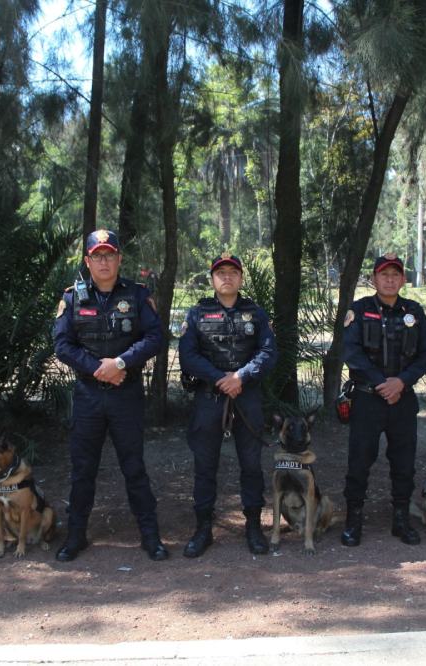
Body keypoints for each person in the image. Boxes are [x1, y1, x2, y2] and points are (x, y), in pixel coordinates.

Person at [52, 229, 168, 561]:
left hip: (126, 394)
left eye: (109, 255)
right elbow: (62, 345)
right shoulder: (72, 297)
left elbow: (155, 336)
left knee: (134, 467)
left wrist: (120, 362)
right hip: (89, 395)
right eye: (97, 256)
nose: (104, 261)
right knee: (82, 469)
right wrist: (97, 368)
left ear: (119, 259)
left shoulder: (136, 294)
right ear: (87, 261)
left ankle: (151, 537)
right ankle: (75, 536)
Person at [178, 253, 277, 557]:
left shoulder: (256, 313)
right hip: (210, 398)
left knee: (251, 465)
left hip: (247, 397)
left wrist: (241, 377)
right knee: (205, 466)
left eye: (233, 272)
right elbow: (187, 355)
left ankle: (253, 527)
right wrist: (221, 378)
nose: (227, 277)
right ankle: (203, 529)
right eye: (220, 273)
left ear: (241, 278)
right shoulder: (197, 314)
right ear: (212, 279)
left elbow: (269, 352)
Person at [340, 253, 426, 547]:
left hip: (402, 400)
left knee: (404, 463)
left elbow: (425, 355)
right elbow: (351, 353)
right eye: (384, 274)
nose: (390, 279)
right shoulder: (359, 310)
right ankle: (353, 520)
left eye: (395, 274)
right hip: (368, 399)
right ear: (374, 279)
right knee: (359, 461)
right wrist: (382, 383)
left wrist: (401, 382)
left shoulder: (414, 312)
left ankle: (401, 519)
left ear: (403, 279)